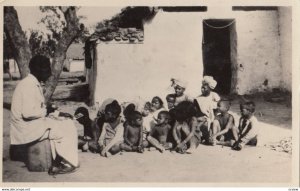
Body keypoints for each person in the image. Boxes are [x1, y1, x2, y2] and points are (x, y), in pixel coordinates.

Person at [10, 55, 78, 175]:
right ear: (38, 70)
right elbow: (28, 113)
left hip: (32, 124)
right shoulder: (28, 85)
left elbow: (39, 109)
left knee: (66, 122)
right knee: (63, 129)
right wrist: (47, 112)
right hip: (26, 128)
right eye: (47, 69)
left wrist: (58, 113)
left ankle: (60, 160)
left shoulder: (32, 83)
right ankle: (67, 163)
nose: (50, 73)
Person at [194, 76, 220, 144]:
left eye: (204, 88)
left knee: (215, 123)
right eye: (201, 88)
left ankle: (212, 137)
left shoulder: (214, 96)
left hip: (214, 117)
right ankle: (205, 137)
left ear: (210, 89)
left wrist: (214, 117)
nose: (202, 89)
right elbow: (197, 112)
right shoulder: (198, 99)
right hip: (204, 118)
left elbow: (218, 108)